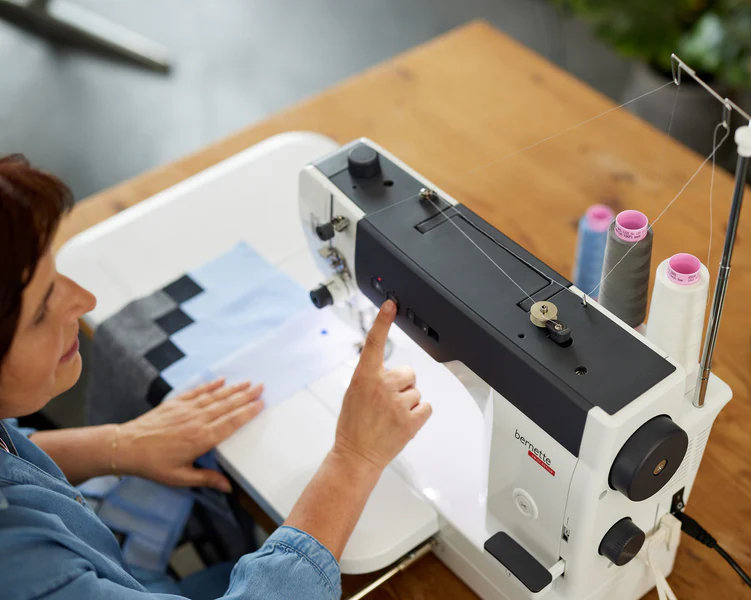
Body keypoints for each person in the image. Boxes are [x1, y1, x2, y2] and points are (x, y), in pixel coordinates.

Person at [0, 154, 432, 599]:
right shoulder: (25, 574)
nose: (84, 300)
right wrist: (353, 459)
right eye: (40, 312)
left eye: (57, 276)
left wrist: (118, 444)